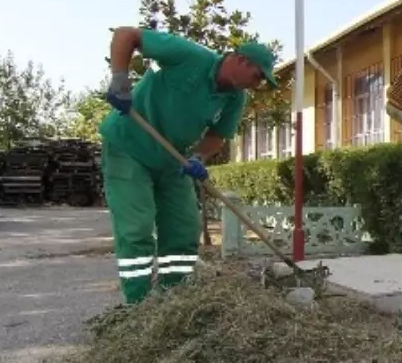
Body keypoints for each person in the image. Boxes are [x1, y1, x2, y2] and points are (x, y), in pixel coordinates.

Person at [98, 26, 277, 306]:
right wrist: (120, 80)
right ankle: (139, 304)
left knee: (183, 229)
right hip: (129, 146)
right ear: (242, 61)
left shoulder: (235, 99)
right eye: (257, 76)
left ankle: (173, 298)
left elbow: (218, 135)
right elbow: (126, 35)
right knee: (137, 228)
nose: (256, 85)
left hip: (173, 159)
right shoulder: (189, 55)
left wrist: (198, 157)